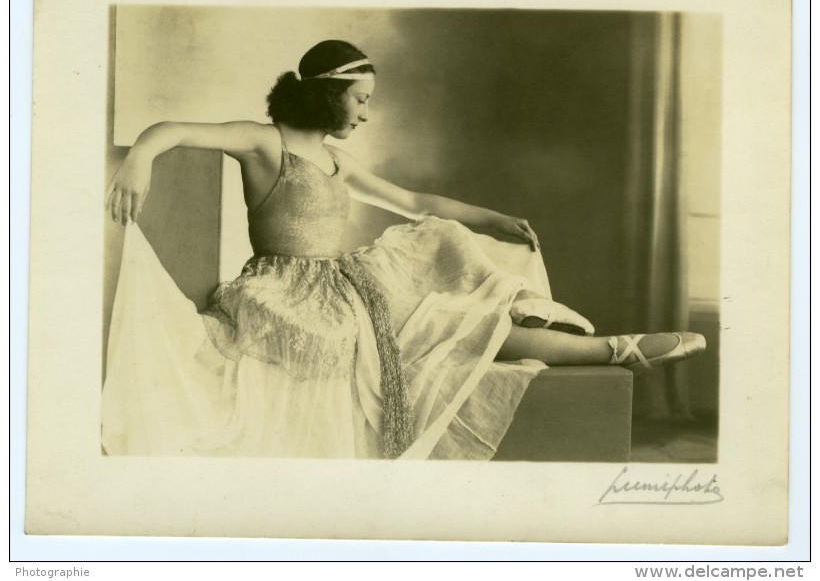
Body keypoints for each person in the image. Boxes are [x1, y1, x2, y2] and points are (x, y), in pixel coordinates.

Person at [102, 39, 705, 460]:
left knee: (448, 290)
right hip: (284, 290)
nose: (366, 112)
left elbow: (416, 203)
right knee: (422, 331)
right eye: (361, 99)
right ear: (329, 95)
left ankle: (614, 348)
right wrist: (139, 161)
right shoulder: (265, 143)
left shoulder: (336, 158)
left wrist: (496, 219)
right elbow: (173, 130)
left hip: (343, 283)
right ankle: (611, 348)